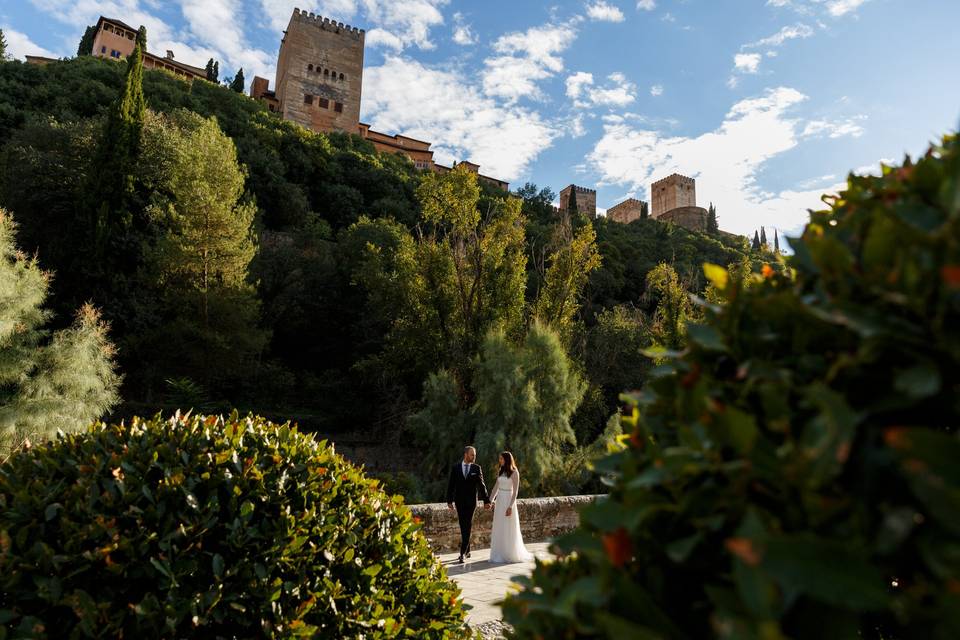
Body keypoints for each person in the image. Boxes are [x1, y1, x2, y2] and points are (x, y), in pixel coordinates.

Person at [446, 445, 490, 564]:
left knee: (468, 525)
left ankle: (462, 554)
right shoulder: (455, 468)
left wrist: (486, 500)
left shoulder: (476, 468)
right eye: (472, 454)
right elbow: (451, 485)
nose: (474, 457)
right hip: (459, 502)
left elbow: (482, 485)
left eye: (475, 455)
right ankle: (468, 550)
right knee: (463, 525)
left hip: (471, 503)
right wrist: (449, 501)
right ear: (466, 455)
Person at [489, 451, 533, 563]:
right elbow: (495, 488)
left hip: (508, 500)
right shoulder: (501, 471)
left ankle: (509, 553)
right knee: (499, 526)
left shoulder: (515, 472)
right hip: (499, 502)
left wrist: (510, 506)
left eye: (501, 459)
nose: (499, 461)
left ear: (507, 460)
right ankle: (499, 553)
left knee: (508, 527)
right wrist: (490, 500)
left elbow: (515, 492)